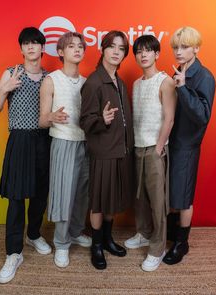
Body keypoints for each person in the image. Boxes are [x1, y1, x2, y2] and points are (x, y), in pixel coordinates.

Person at [0, 27, 51, 284]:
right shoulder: (11, 72)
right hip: (19, 139)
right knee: (16, 198)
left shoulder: (49, 77)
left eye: (36, 43)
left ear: (42, 48)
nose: (31, 47)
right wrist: (5, 88)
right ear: (21, 48)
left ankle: (34, 234)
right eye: (26, 43)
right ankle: (13, 253)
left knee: (40, 193)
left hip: (44, 140)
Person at [80, 30, 134, 270]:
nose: (116, 52)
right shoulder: (93, 82)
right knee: (100, 203)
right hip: (103, 152)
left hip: (121, 151)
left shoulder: (119, 82)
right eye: (112, 46)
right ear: (102, 49)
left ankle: (108, 239)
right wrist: (101, 119)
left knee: (113, 201)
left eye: (121, 48)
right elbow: (85, 122)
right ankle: (97, 246)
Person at [163, 27, 216, 265]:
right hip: (171, 141)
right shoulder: (178, 71)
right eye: (175, 47)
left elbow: (203, 116)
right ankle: (173, 235)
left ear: (196, 48)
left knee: (183, 195)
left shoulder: (205, 76)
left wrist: (183, 87)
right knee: (172, 192)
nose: (178, 51)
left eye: (184, 47)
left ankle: (182, 244)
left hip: (187, 145)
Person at [124, 35, 177, 271]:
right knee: (140, 197)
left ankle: (157, 248)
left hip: (155, 148)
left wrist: (158, 147)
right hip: (137, 147)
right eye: (139, 51)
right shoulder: (136, 83)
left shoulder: (165, 82)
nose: (143, 55)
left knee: (157, 202)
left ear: (157, 54)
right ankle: (144, 233)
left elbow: (170, 117)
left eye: (148, 50)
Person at [39, 31, 91, 268]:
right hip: (62, 142)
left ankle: (76, 232)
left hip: (85, 143)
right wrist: (52, 116)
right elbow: (41, 120)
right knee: (63, 193)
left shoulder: (87, 82)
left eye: (80, 46)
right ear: (61, 52)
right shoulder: (51, 80)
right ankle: (61, 243)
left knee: (82, 192)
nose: (77, 50)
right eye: (71, 46)